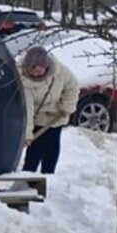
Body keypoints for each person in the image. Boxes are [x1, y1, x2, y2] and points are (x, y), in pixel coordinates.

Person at [18, 45, 78, 174]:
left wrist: (67, 106)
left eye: (39, 71)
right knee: (36, 148)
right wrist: (27, 134)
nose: (35, 73)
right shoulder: (24, 82)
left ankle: (49, 175)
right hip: (37, 116)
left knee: (52, 146)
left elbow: (72, 86)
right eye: (33, 70)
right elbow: (27, 109)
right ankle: (28, 175)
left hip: (56, 114)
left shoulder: (60, 72)